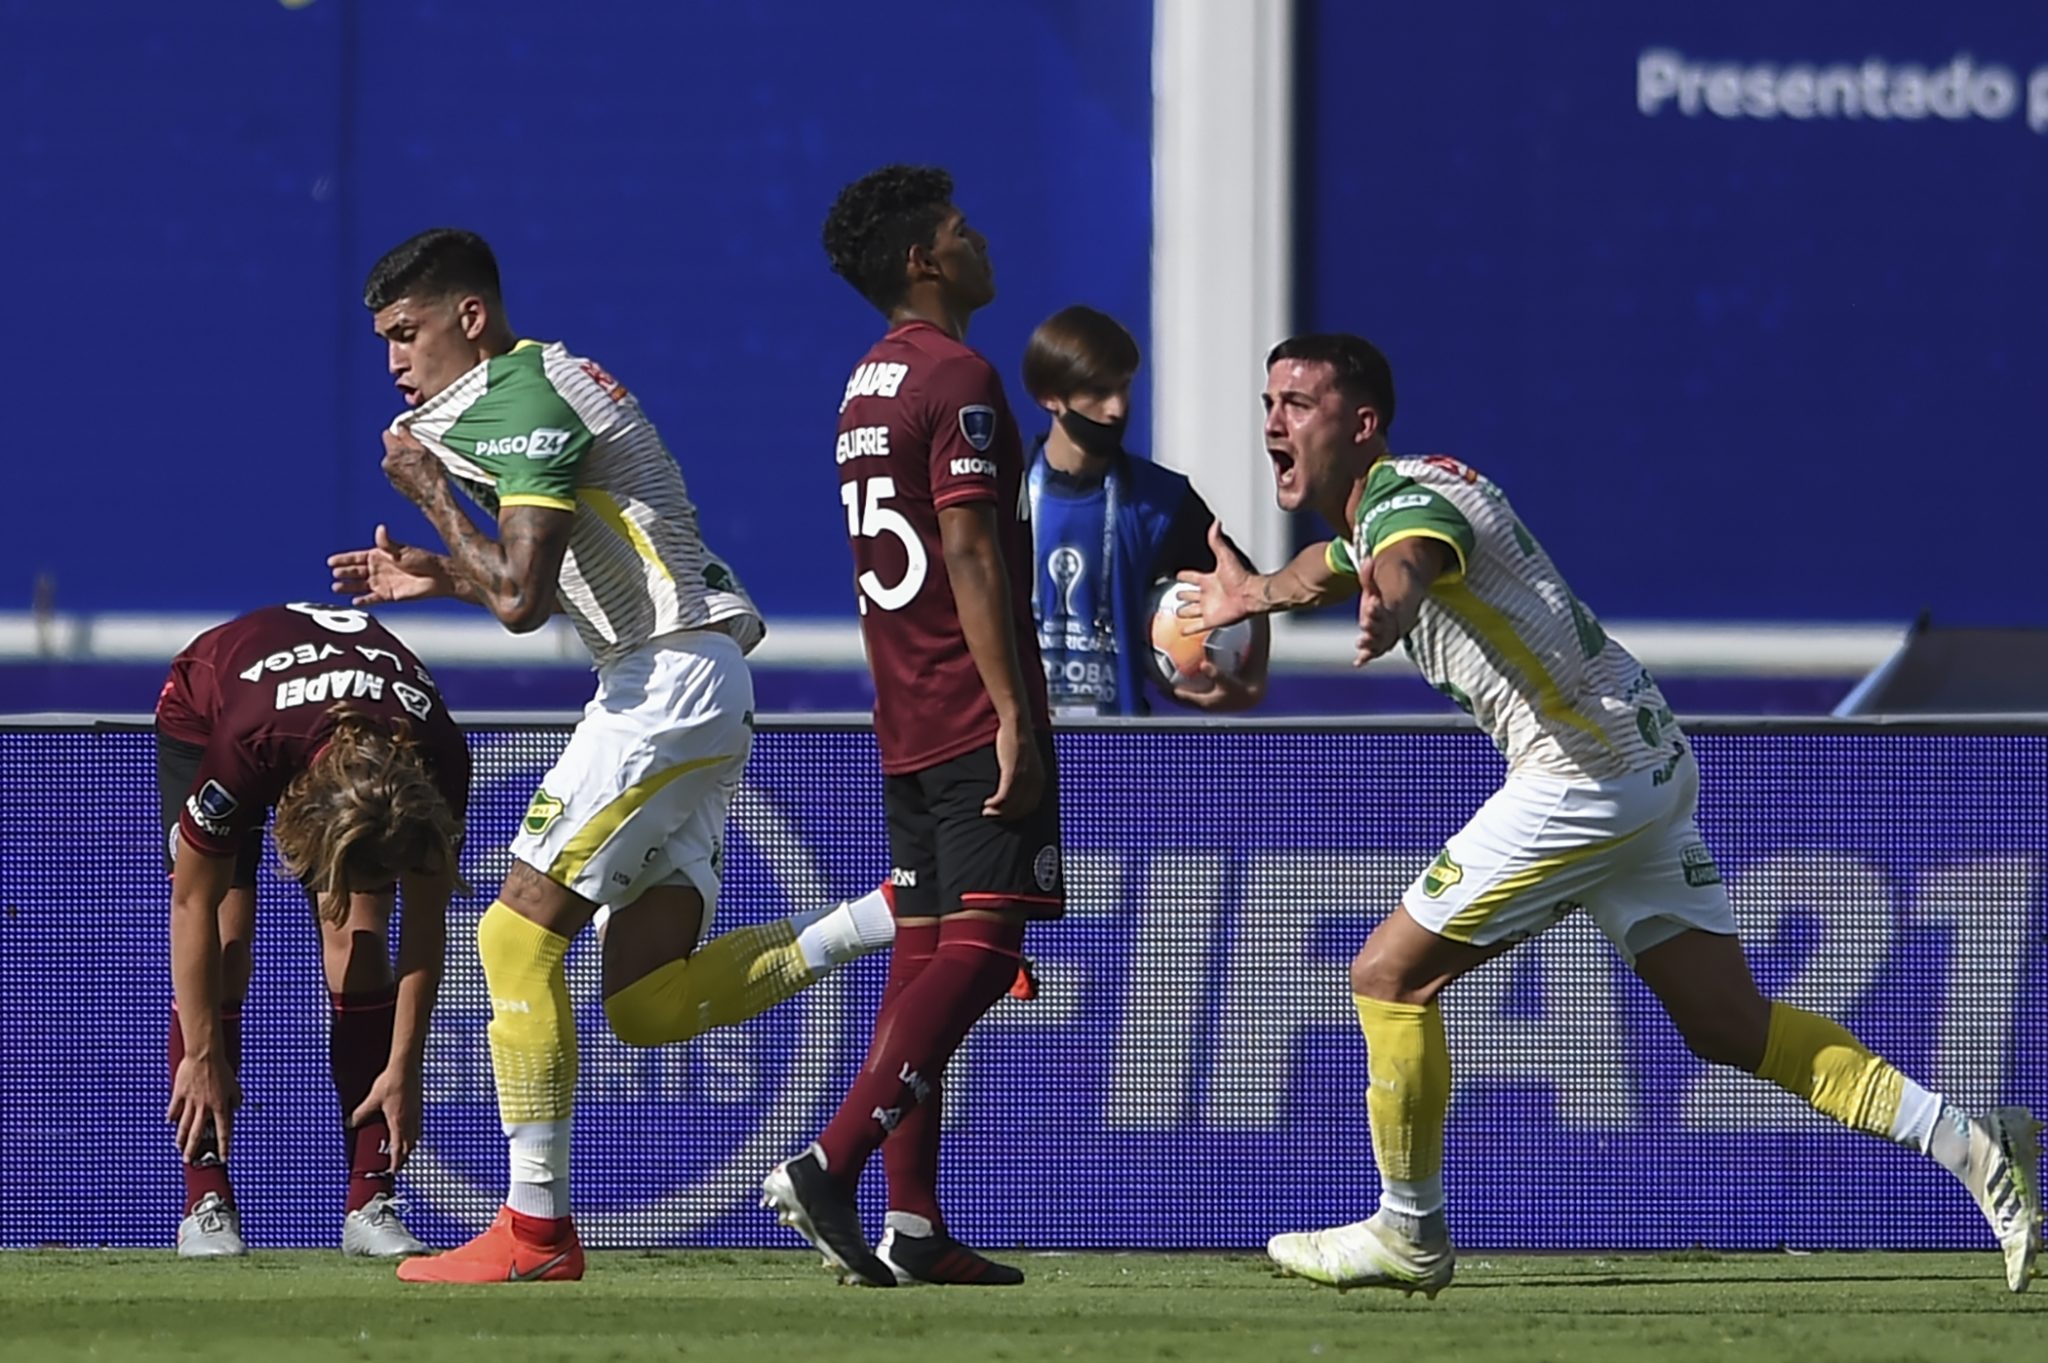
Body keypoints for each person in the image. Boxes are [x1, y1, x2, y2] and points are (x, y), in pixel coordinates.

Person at [1180, 332, 2042, 1296]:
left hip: (1582, 776)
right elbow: (1336, 564)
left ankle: (1408, 1230)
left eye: (1297, 403)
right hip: (1643, 758)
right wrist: (1252, 593)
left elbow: (1405, 557)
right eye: (1269, 403)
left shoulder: (1408, 505)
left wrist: (1392, 594)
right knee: (1726, 1023)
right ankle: (1974, 1143)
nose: (1272, 423)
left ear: (1362, 421)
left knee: (1388, 976)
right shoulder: (1385, 502)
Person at [328, 228, 896, 1283]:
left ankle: (534, 1229)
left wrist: (430, 497)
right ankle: (895, 916)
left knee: (511, 937)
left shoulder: (519, 400)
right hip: (688, 679)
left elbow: (521, 600)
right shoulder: (536, 382)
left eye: (407, 334)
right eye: (383, 342)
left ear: (470, 316)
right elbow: (520, 577)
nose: (396, 363)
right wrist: (438, 573)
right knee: (643, 1001)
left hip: (664, 681)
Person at [758, 165, 1062, 1289]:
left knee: (928, 950)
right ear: (923, 262)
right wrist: (1015, 717)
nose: (982, 241)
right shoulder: (958, 374)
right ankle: (831, 1163)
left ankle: (915, 1222)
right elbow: (970, 549)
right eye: (960, 230)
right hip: (965, 701)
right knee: (984, 952)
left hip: (900, 705)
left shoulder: (862, 385)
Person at [157, 602, 469, 1259]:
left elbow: (425, 923)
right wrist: (203, 1053)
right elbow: (190, 903)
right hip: (213, 702)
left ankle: (370, 1199)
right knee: (227, 937)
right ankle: (204, 1200)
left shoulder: (438, 760)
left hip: (356, 740)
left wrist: (405, 1066)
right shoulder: (246, 742)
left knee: (359, 938)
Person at [1020, 305, 1268, 715]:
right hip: (1018, 749)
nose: (1117, 408)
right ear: (1050, 396)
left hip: (1120, 751)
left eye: (1124, 388)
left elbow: (1249, 591)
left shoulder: (1162, 500)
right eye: (1098, 392)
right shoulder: (1000, 492)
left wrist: (1252, 685)